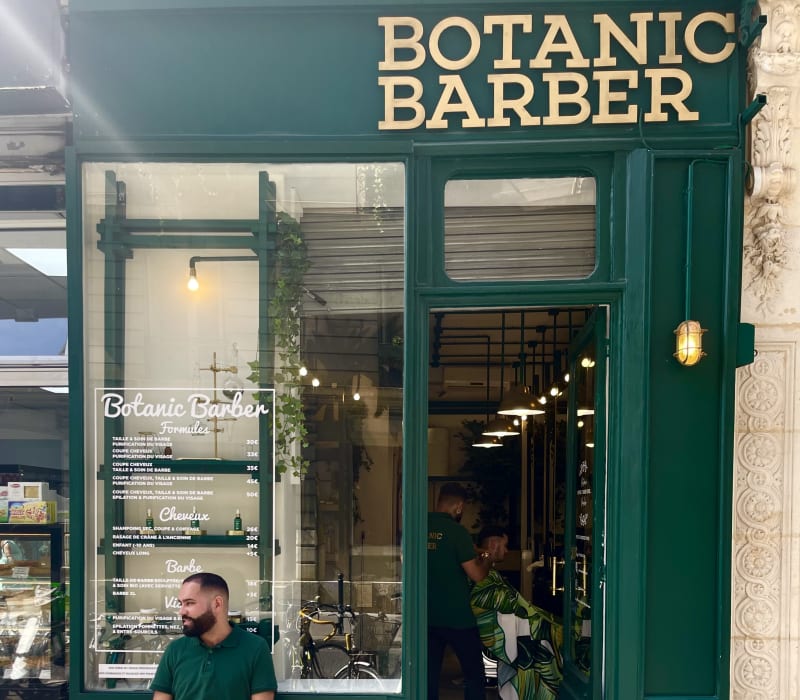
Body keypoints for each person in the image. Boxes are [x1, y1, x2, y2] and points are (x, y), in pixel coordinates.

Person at [150, 572, 277, 700]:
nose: (181, 611)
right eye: (180, 604)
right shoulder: (175, 650)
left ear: (217, 604)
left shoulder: (255, 648)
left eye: (189, 603)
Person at [470, 526, 563, 700]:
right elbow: (508, 606)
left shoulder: (485, 571)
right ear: (493, 544)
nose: (506, 552)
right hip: (501, 630)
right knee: (548, 636)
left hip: (512, 624)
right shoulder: (484, 577)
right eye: (504, 546)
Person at [428, 482, 491, 700]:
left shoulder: (418, 526)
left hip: (426, 616)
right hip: (457, 616)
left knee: (428, 676)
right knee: (474, 673)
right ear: (459, 507)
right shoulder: (457, 532)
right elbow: (477, 575)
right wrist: (488, 559)